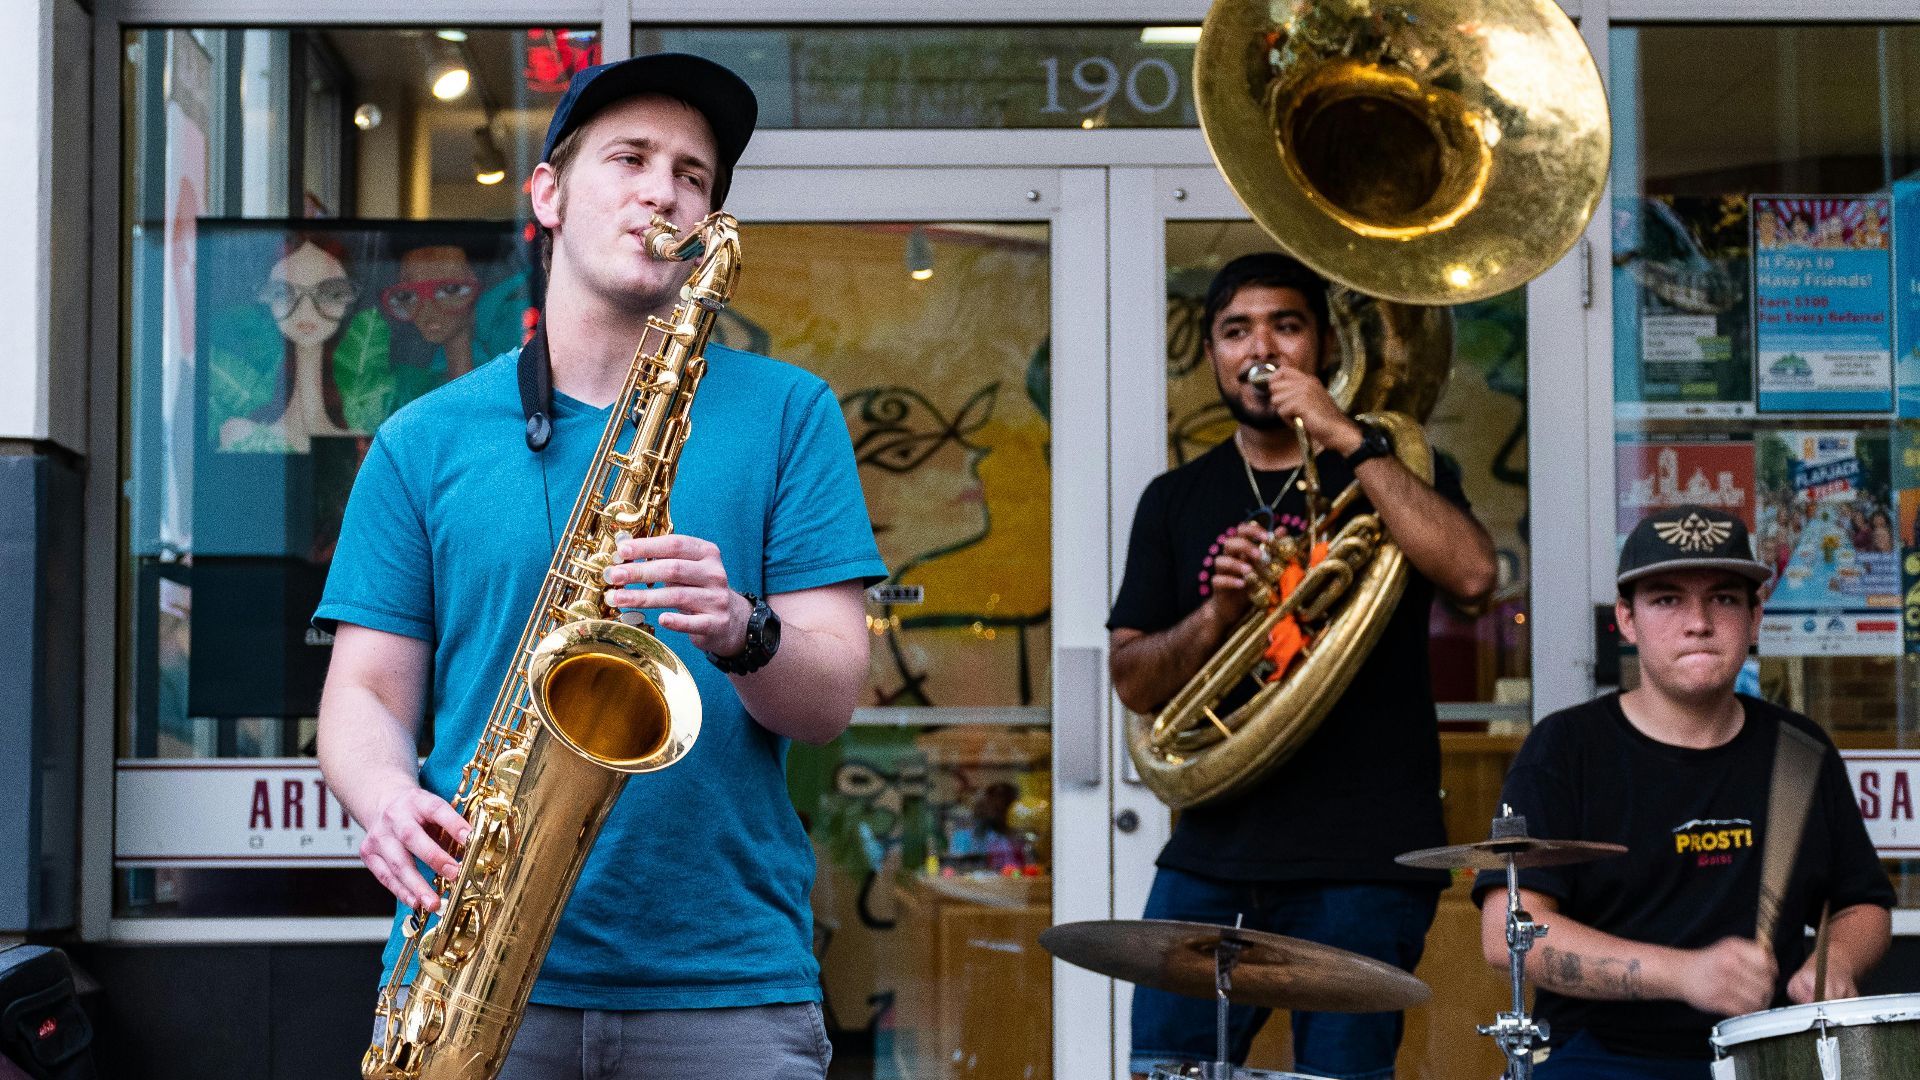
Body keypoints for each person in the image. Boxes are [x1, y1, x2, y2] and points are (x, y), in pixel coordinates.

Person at [315, 53, 885, 1080]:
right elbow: (364, 689)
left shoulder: (790, 412)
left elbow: (832, 694)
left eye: (693, 175)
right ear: (548, 194)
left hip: (725, 989)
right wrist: (384, 798)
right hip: (466, 971)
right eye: (630, 158)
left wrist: (741, 628)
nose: (663, 190)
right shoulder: (422, 438)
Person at [1109, 252, 1497, 1079]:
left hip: (1364, 857)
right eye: (1235, 329)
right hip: (1214, 854)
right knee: (1163, 1070)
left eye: (1286, 325)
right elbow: (1135, 683)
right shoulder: (1176, 500)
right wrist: (1219, 612)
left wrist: (1349, 436)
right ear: (1211, 353)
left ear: (1321, 346)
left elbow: (1471, 574)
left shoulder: (1392, 464)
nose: (1262, 348)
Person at [1474, 504, 1894, 1079]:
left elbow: (1862, 903)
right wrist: (1684, 974)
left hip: (1768, 1048)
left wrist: (1834, 960)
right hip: (1601, 1056)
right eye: (1667, 599)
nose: (1698, 621)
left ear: (1755, 617)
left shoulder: (1799, 749)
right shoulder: (1566, 748)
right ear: (1626, 620)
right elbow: (1507, 932)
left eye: (1723, 598)